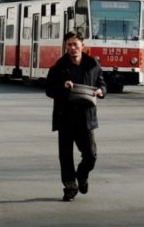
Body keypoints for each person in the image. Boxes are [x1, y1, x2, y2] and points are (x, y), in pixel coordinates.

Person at [45, 31, 106, 202]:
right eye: (69, 45)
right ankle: (70, 186)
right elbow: (49, 89)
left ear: (82, 46)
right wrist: (62, 86)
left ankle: (82, 174)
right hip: (65, 116)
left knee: (91, 155)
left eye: (75, 44)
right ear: (66, 47)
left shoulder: (92, 64)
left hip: (86, 117)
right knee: (65, 156)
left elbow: (101, 82)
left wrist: (102, 91)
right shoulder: (59, 67)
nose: (72, 48)